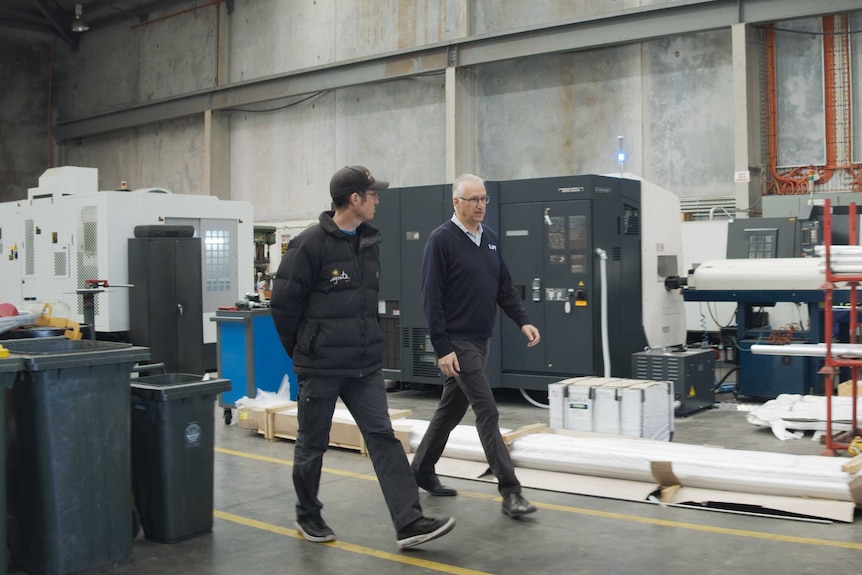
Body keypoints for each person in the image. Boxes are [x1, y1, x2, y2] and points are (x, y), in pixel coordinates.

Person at [270, 165, 455, 550]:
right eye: (372, 194)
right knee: (312, 443)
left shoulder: (369, 243)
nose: (377, 200)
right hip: (321, 366)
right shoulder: (309, 244)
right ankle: (308, 514)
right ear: (354, 199)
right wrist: (306, 351)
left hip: (364, 365)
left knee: (383, 437)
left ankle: (409, 522)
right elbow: (283, 307)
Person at [411, 173, 541, 518]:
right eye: (473, 199)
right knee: (488, 410)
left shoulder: (491, 240)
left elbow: (504, 288)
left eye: (484, 199)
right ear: (457, 202)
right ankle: (510, 492)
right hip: (457, 342)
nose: (481, 205)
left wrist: (523, 320)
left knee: (450, 410)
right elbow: (430, 298)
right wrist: (442, 348)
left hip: (481, 340)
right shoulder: (441, 240)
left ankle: (421, 469)